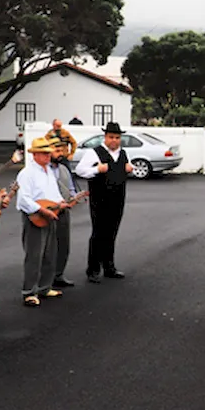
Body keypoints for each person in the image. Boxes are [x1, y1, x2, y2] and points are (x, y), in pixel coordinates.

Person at [75, 122, 134, 282]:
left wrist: (130, 168)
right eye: (111, 137)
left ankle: (109, 266)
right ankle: (93, 269)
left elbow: (124, 169)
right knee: (98, 233)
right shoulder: (94, 153)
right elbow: (80, 170)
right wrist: (96, 170)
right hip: (99, 199)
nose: (114, 140)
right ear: (105, 137)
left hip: (118, 198)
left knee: (112, 233)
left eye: (117, 137)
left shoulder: (123, 154)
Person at [16, 137, 67, 306]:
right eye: (44, 153)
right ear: (35, 154)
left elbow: (54, 193)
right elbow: (24, 199)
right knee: (34, 255)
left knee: (50, 252)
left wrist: (60, 203)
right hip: (35, 216)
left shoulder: (49, 171)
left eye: (48, 153)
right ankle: (29, 291)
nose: (47, 156)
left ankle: (45, 286)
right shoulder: (27, 173)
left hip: (50, 213)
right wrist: (42, 210)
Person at [51, 139, 78, 287]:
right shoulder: (43, 170)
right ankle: (44, 279)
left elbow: (71, 189)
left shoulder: (64, 169)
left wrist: (73, 199)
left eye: (62, 150)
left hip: (63, 211)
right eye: (57, 151)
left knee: (63, 244)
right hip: (46, 212)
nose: (60, 154)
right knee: (47, 247)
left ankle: (58, 275)